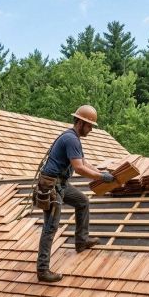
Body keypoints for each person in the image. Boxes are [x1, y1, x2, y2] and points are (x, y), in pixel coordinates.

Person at [35, 105, 116, 283]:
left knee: (82, 201)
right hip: (51, 186)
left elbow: (83, 162)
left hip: (61, 184)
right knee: (50, 227)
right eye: (89, 126)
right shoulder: (71, 139)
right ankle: (42, 270)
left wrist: (101, 172)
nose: (91, 129)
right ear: (80, 122)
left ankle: (81, 240)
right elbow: (79, 168)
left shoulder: (74, 138)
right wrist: (101, 177)